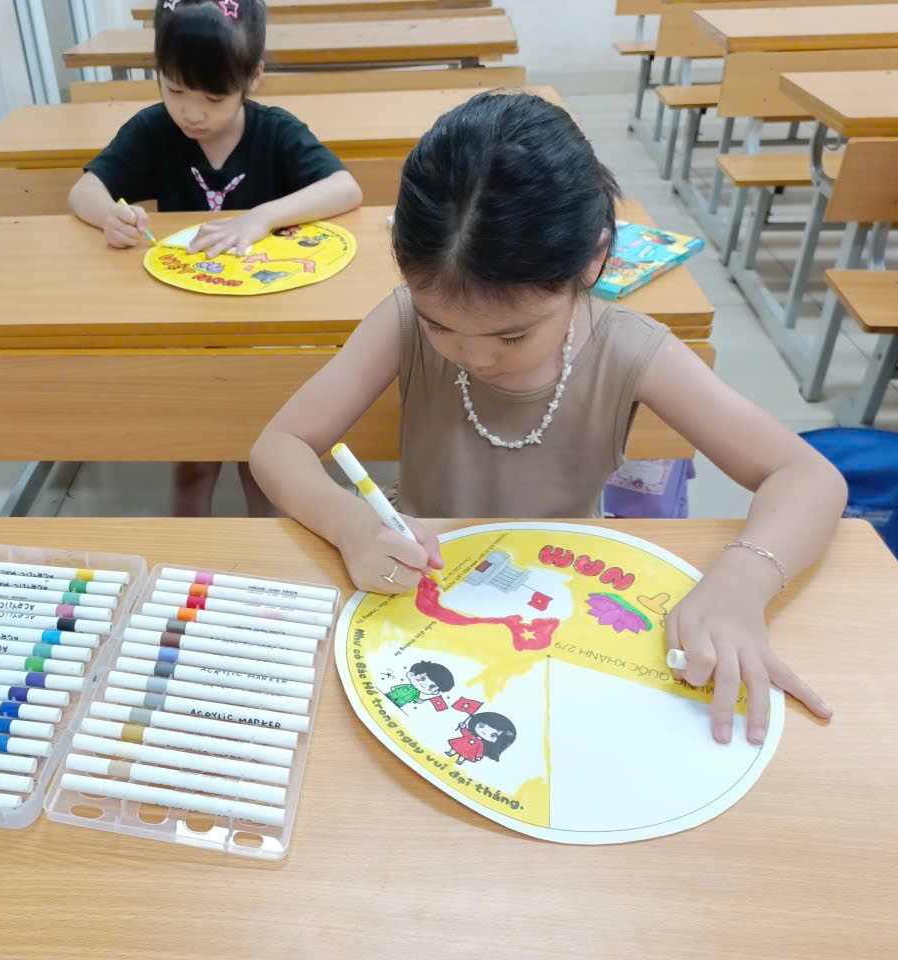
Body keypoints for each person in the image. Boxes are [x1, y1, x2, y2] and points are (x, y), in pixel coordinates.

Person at [251, 92, 845, 746]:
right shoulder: (398, 321)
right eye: (440, 325)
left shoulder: (628, 347)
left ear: (591, 263)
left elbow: (809, 477)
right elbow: (278, 445)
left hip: (568, 612)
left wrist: (744, 579)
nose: (475, 356)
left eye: (511, 337)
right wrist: (351, 524)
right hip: (420, 596)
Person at [68, 0, 363, 518]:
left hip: (264, 329)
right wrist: (107, 216)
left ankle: (264, 564)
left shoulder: (275, 132)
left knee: (263, 466)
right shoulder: (155, 129)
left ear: (253, 78)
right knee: (192, 466)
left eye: (214, 96)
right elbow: (86, 190)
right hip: (189, 327)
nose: (192, 112)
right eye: (175, 89)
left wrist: (261, 217)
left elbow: (345, 187)